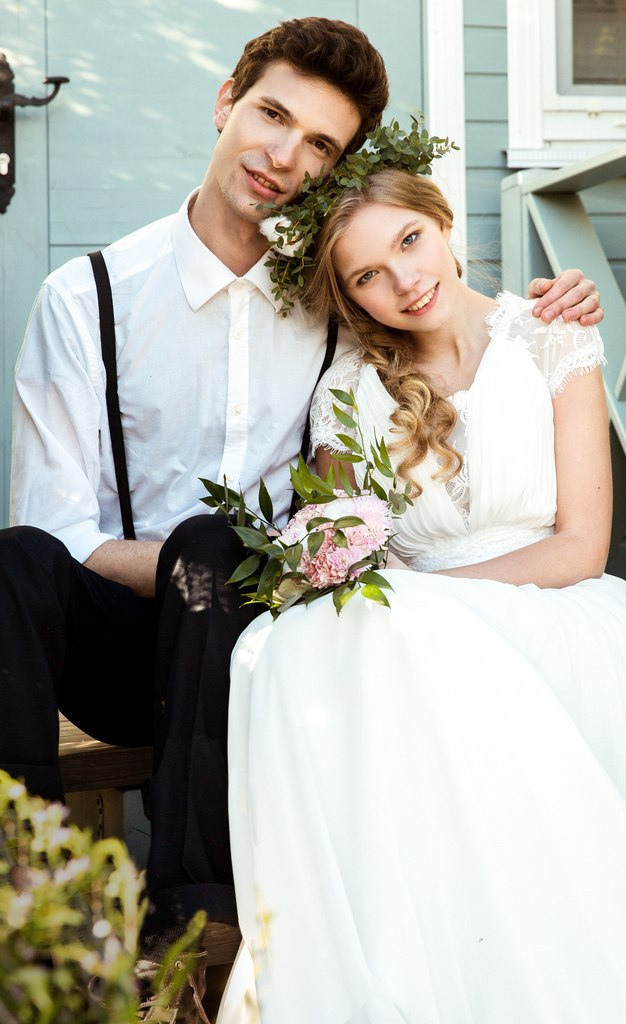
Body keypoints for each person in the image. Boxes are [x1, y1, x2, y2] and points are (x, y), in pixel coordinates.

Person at [0, 14, 603, 956]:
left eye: (319, 144)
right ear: (224, 103)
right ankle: (22, 907)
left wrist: (549, 310)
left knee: (212, 543)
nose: (284, 156)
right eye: (272, 115)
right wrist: (229, 570)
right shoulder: (87, 298)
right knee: (17, 563)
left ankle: (199, 925)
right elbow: (56, 529)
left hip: (262, 639)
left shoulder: (343, 307)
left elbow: (447, 339)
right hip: (131, 638)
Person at [216, 167, 626, 1024]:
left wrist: (431, 596)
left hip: (552, 607)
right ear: (349, 295)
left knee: (397, 639)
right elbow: (340, 551)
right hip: (412, 636)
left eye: (409, 240)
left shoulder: (553, 334)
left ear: (439, 221)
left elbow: (582, 546)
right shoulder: (348, 397)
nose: (405, 281)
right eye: (368, 274)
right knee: (280, 646)